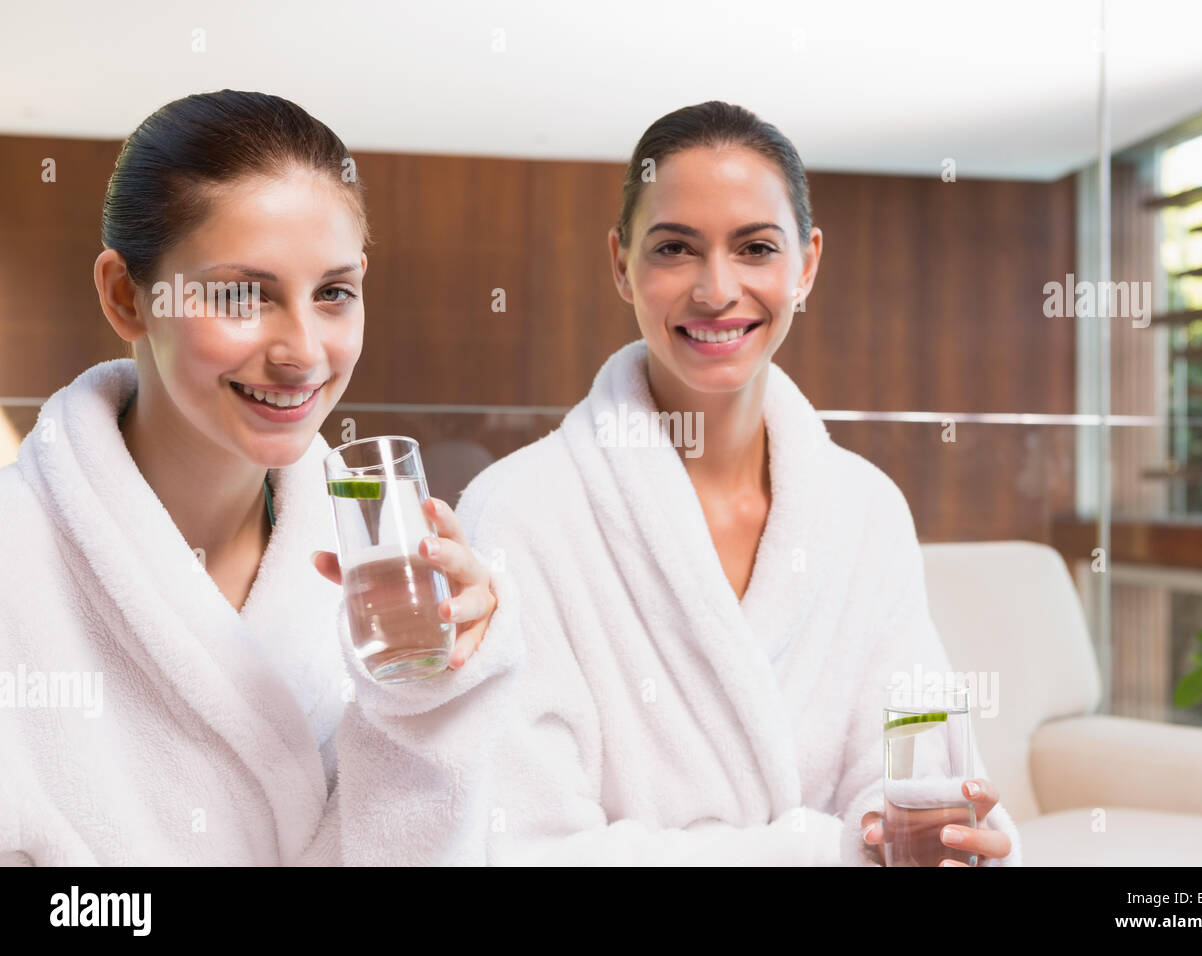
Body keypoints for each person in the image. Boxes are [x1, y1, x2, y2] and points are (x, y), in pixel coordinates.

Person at [449, 100, 1021, 865]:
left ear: (806, 264)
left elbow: (914, 781)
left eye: (755, 248)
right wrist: (827, 854)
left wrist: (945, 840)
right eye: (676, 249)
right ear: (620, 264)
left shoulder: (867, 511)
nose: (717, 291)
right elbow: (525, 844)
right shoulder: (519, 511)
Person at [0, 90, 518, 866]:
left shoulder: (385, 565)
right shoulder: (18, 560)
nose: (303, 351)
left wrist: (433, 701)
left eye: (334, 293)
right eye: (245, 295)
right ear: (124, 295)